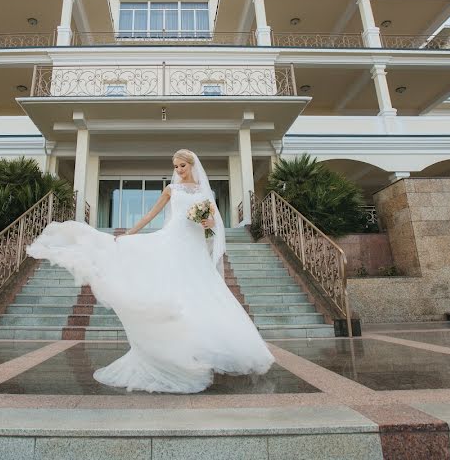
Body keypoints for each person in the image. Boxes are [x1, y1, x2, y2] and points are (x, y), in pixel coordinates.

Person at [27, 149, 274, 393]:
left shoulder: (204, 193)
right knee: (171, 292)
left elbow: (212, 229)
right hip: (173, 242)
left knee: (200, 296)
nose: (178, 171)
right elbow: (150, 215)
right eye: (175, 166)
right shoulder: (171, 190)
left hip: (195, 249)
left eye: (182, 166)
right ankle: (176, 355)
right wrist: (129, 234)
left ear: (192, 166)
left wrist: (209, 224)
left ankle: (198, 352)